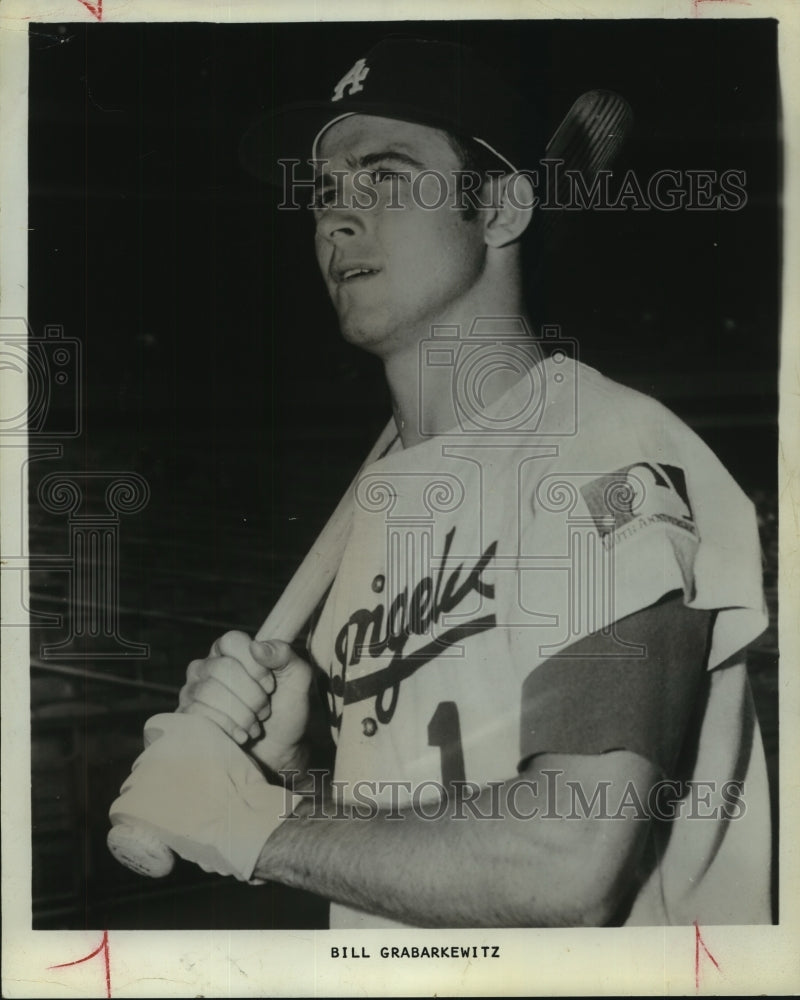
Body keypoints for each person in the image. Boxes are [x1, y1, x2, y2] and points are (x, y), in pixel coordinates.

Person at [112, 37, 771, 928]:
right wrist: (294, 767)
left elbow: (566, 858)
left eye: (383, 177)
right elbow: (416, 840)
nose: (336, 219)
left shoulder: (605, 456)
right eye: (326, 193)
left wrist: (251, 824)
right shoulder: (386, 509)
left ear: (498, 208)